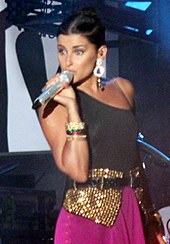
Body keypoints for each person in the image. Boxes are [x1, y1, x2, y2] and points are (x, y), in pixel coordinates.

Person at [38, 7, 165, 244]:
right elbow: (77, 171)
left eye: (78, 52)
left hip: (129, 212)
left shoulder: (123, 89)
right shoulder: (52, 104)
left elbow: (134, 160)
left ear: (100, 53)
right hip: (83, 218)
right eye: (62, 51)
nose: (68, 61)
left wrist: (149, 215)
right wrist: (74, 110)